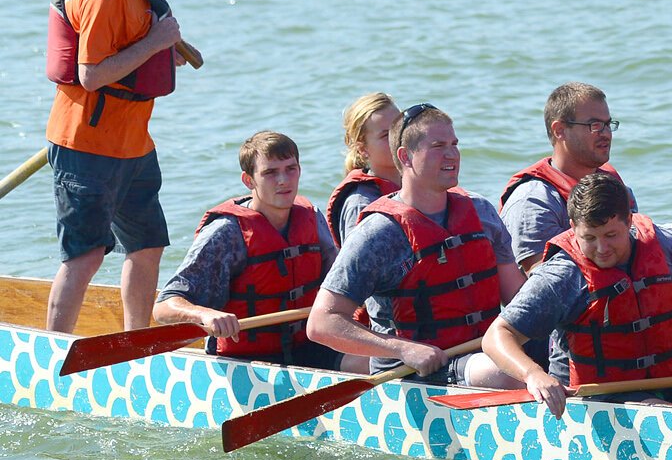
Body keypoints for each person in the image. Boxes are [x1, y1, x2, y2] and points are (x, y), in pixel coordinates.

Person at [42, 0, 188, 334]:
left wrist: (162, 53)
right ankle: (52, 355)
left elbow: (129, 51)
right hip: (87, 144)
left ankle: (136, 342)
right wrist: (155, 44)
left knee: (146, 246)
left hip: (133, 145)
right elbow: (90, 74)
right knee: (85, 255)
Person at [307, 104, 525, 387]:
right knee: (502, 372)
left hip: (486, 348)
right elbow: (321, 324)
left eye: (454, 144)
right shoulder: (378, 233)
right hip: (415, 369)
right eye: (438, 146)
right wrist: (403, 349)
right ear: (405, 156)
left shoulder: (481, 211)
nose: (452, 154)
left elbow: (517, 296)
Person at [485, 171, 672, 414]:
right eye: (589, 238)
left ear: (629, 221)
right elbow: (497, 336)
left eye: (611, 235)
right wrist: (533, 375)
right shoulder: (561, 276)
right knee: (661, 412)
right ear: (573, 228)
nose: (601, 249)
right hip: (595, 397)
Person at [154, 130, 339, 368]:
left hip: (310, 347)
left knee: (369, 362)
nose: (283, 180)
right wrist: (205, 315)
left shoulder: (312, 218)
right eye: (270, 173)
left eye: (290, 169)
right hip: (245, 363)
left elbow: (338, 285)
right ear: (249, 180)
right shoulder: (226, 233)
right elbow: (164, 306)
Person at [501, 81, 629, 269]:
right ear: (559, 130)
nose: (607, 134)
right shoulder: (532, 201)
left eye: (608, 124)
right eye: (595, 125)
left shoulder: (612, 186)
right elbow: (544, 284)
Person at [325, 92, 401, 244]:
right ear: (362, 148)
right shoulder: (360, 205)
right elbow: (358, 267)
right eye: (385, 135)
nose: (398, 138)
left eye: (400, 128)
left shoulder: (420, 187)